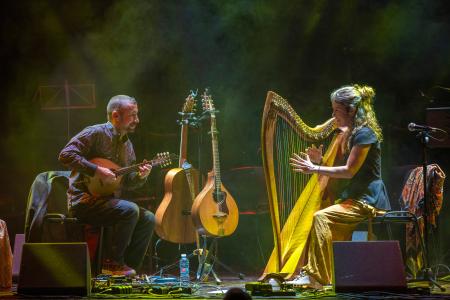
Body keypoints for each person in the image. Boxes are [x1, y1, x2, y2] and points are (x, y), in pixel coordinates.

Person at [287, 84, 391, 288]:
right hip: (353, 197)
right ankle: (324, 275)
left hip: (367, 199)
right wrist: (319, 164)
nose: (333, 115)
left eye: (336, 110)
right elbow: (344, 172)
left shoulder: (365, 134)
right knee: (320, 215)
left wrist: (314, 169)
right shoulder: (351, 134)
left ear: (351, 110)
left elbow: (349, 171)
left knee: (321, 216)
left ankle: (316, 277)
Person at [59, 95, 155, 276]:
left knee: (149, 218)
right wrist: (96, 170)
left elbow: (126, 182)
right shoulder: (95, 133)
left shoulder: (128, 145)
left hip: (109, 202)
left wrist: (141, 176)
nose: (137, 120)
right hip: (84, 201)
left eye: (137, 115)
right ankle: (113, 264)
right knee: (131, 210)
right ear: (116, 115)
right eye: (132, 115)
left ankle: (130, 269)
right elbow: (65, 155)